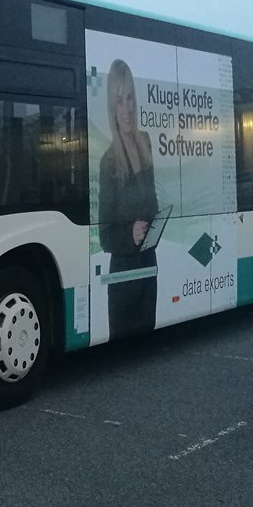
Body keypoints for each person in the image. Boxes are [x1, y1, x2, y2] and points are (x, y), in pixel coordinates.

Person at [98, 59, 159, 337]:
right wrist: (130, 233)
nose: (127, 108)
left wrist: (157, 219)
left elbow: (153, 202)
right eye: (120, 101)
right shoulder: (108, 162)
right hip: (123, 273)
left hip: (149, 263)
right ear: (112, 107)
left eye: (130, 98)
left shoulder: (146, 142)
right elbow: (104, 235)